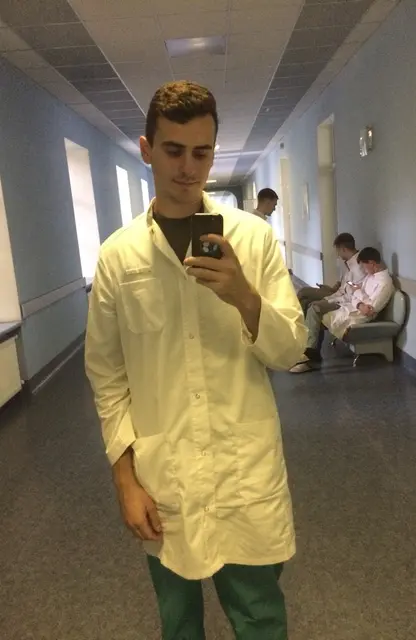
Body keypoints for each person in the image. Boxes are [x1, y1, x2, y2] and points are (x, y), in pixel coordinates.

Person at [85, 80, 307, 640]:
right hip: (165, 478)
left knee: (260, 619)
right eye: (174, 150)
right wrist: (125, 481)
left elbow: (290, 351)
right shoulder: (118, 257)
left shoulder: (253, 240)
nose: (188, 168)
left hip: (244, 471)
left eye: (202, 153)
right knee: (178, 624)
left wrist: (244, 296)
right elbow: (107, 377)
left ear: (213, 152)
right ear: (146, 149)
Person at [290, 247, 394, 373]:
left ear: (372, 263)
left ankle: (310, 357)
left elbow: (369, 309)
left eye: (364, 266)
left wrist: (357, 295)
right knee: (314, 308)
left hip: (357, 315)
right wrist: (358, 300)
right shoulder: (371, 276)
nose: (364, 270)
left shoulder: (385, 283)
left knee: (315, 310)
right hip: (350, 305)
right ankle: (309, 352)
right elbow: (354, 295)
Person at [298, 233, 365, 314]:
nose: (338, 254)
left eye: (338, 251)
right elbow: (343, 284)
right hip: (337, 293)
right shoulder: (348, 263)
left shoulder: (359, 267)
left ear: (344, 249)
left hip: (342, 298)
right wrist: (331, 289)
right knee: (304, 295)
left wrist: (328, 300)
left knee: (305, 296)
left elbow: (350, 294)